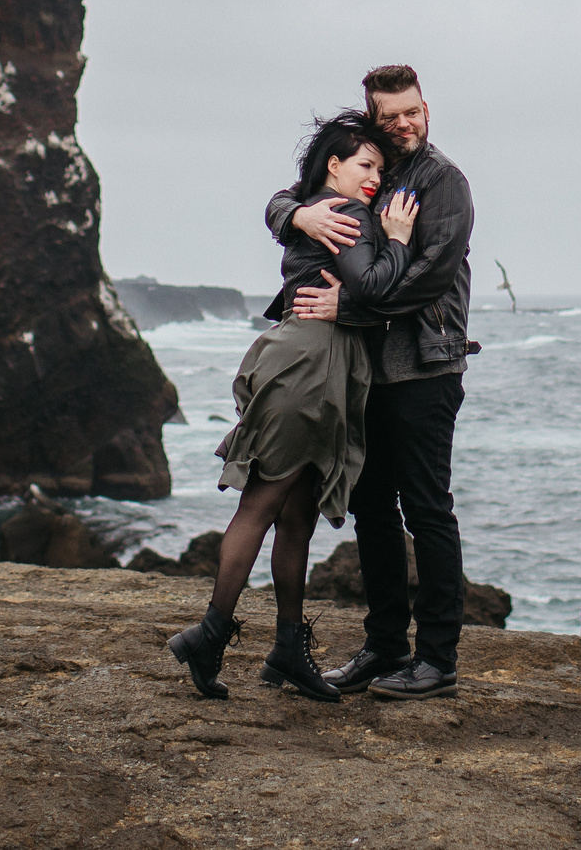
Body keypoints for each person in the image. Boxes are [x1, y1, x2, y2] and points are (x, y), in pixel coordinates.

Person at [166, 112, 422, 701]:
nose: (374, 178)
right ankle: (209, 634)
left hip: (321, 366)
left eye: (380, 169)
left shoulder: (313, 206)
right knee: (262, 503)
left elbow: (288, 211)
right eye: (364, 164)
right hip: (311, 366)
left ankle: (287, 648)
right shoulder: (348, 213)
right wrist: (399, 241)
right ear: (334, 164)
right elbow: (374, 286)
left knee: (299, 513)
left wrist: (298, 210)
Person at [274, 64, 475, 701]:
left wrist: (350, 306)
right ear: (374, 119)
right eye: (391, 117)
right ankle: (385, 646)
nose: (404, 124)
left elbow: (429, 279)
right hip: (366, 372)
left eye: (412, 112)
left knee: (427, 509)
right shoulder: (371, 169)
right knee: (372, 511)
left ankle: (437, 660)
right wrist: (299, 217)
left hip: (425, 370)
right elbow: (287, 196)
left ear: (426, 109)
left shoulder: (444, 183)